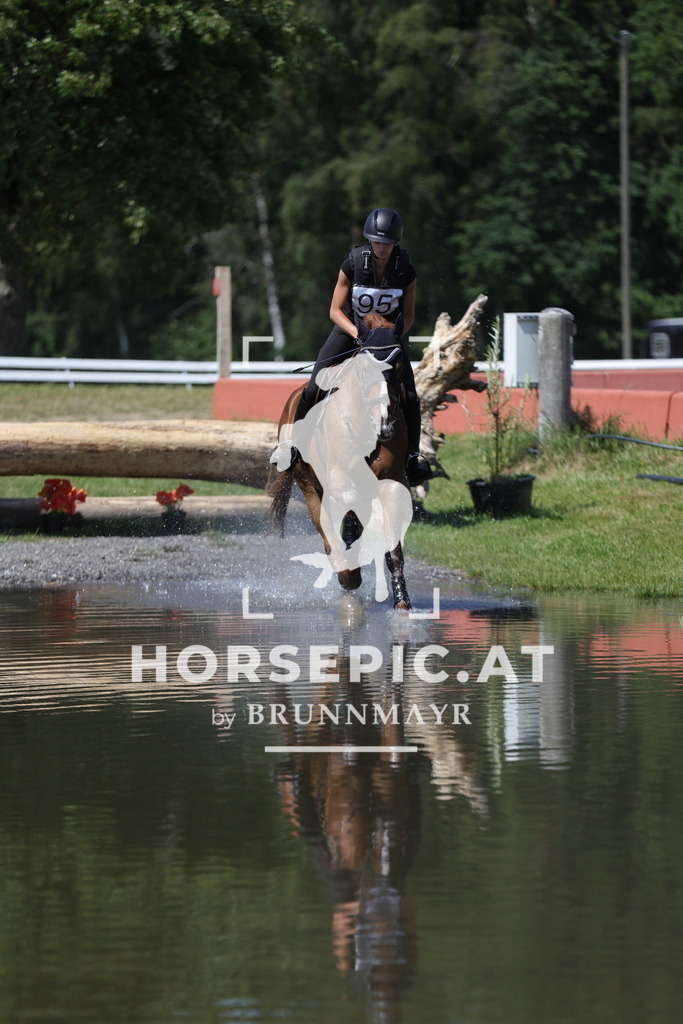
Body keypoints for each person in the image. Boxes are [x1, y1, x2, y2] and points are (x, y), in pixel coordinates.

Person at [270, 208, 432, 486]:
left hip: (387, 338)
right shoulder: (353, 263)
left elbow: (408, 315)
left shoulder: (406, 271)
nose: (381, 247)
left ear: (396, 243)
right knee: (313, 386)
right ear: (369, 241)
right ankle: (293, 447)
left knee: (411, 396)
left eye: (387, 243)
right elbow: (334, 310)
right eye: (376, 242)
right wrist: (360, 334)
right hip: (350, 330)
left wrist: (391, 335)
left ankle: (412, 459)